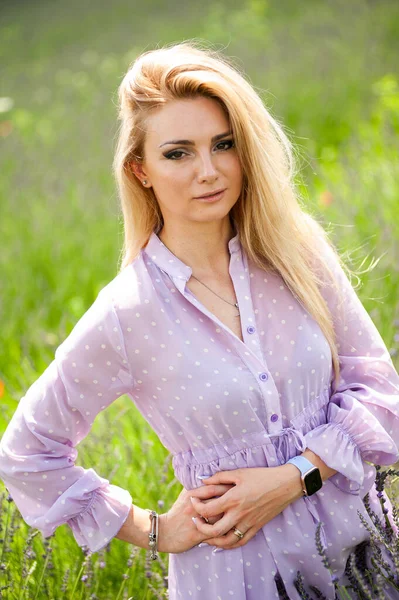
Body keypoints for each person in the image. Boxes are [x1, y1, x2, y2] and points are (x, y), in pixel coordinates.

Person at [0, 40, 398, 600]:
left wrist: (296, 477)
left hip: (365, 561)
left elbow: (379, 387)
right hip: (237, 578)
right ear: (140, 170)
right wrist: (155, 530)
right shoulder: (126, 313)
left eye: (224, 145)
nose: (208, 172)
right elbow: (25, 451)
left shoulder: (293, 250)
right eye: (178, 153)